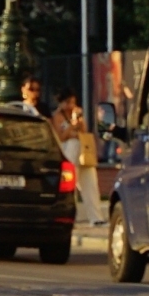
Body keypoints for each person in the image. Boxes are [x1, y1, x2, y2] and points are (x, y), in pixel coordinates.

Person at [52, 92, 102, 226]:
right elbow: (61, 137)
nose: (70, 106)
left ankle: (95, 217)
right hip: (68, 151)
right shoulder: (57, 116)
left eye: (73, 102)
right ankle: (70, 216)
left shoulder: (76, 114)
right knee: (70, 184)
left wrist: (79, 120)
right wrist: (72, 127)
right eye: (67, 102)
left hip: (82, 151)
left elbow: (84, 132)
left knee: (90, 183)